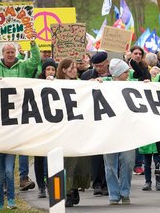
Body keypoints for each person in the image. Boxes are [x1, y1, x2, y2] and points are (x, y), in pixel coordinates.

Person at [0, 38, 40, 210]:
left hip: (19, 115)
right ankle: (1, 202)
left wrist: (33, 44)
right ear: (2, 54)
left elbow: (35, 61)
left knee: (11, 165)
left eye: (12, 52)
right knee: (0, 175)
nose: (10, 55)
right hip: (1, 119)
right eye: (7, 52)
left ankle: (18, 186)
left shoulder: (23, 66)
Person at [98, 58, 139, 205]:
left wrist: (148, 85)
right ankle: (114, 194)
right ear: (117, 74)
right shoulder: (103, 84)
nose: (128, 74)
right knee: (110, 165)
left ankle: (125, 192)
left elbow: (144, 77)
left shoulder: (132, 85)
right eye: (125, 72)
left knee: (128, 162)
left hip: (128, 131)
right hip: (108, 131)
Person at [53, 58, 92, 207]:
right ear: (63, 70)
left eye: (75, 67)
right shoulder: (55, 84)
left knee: (78, 162)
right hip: (62, 129)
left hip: (78, 128)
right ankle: (67, 192)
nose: (74, 70)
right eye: (71, 68)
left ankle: (74, 188)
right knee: (65, 162)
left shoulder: (81, 85)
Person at [80, 51, 110, 196]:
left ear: (107, 62)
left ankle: (107, 183)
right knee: (96, 154)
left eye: (101, 65)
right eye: (96, 66)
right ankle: (96, 182)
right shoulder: (87, 76)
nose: (98, 69)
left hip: (110, 119)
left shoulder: (114, 75)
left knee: (109, 152)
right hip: (93, 119)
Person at [34, 58, 57, 198]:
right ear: (44, 71)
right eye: (48, 69)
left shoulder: (59, 83)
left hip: (53, 126)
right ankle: (41, 186)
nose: (51, 72)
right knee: (39, 158)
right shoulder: (36, 84)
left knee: (51, 157)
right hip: (39, 126)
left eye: (53, 69)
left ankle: (50, 184)